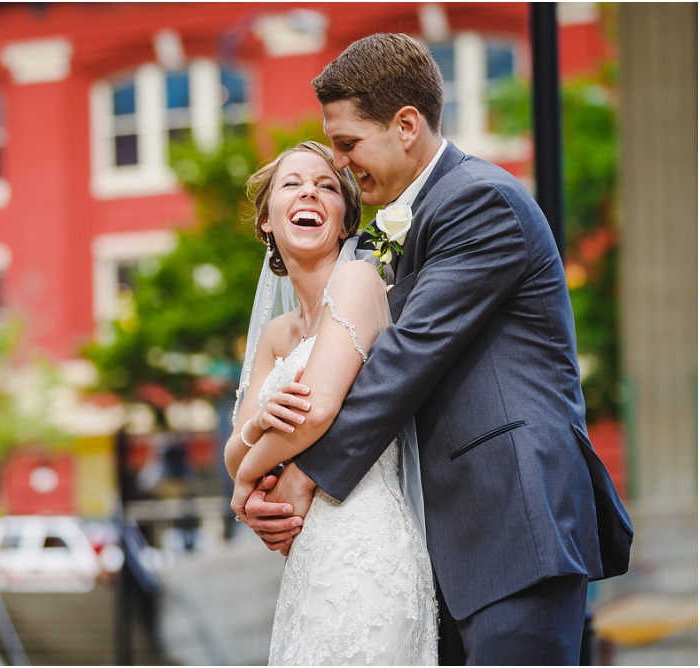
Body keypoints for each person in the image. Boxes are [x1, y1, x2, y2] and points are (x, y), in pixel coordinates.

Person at [231, 33, 632, 665]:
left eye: (347, 143)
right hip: (441, 540)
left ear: (407, 125)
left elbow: (405, 358)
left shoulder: (479, 200)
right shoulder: (407, 226)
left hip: (511, 518)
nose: (339, 165)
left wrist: (295, 476)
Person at [225, 140, 438, 664]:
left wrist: (244, 490)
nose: (309, 194)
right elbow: (232, 450)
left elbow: (315, 413)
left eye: (326, 186)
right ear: (267, 222)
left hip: (365, 548)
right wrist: (254, 434)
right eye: (292, 184)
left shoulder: (358, 280)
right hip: (309, 558)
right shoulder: (277, 335)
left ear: (345, 222)